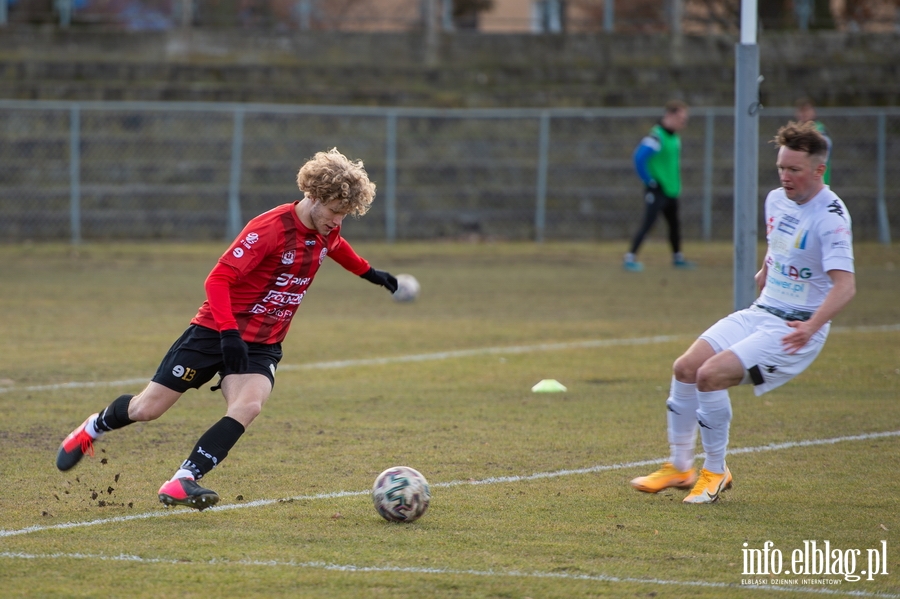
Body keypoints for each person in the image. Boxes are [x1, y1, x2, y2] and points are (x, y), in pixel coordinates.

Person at [56, 148, 400, 510]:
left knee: (248, 405)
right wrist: (228, 334)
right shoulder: (269, 229)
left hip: (263, 343)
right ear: (312, 196)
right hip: (215, 331)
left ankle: (183, 479)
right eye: (333, 212)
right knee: (147, 409)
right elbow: (217, 279)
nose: (337, 221)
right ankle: (92, 429)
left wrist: (371, 274)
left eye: (344, 214)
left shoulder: (328, 229)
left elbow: (336, 246)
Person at [629, 121, 855, 504]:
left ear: (819, 169)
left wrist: (810, 326)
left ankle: (715, 471)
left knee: (709, 376)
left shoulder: (831, 217)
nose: (785, 177)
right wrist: (767, 269)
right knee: (685, 368)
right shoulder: (775, 199)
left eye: (794, 170)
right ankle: (681, 467)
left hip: (796, 326)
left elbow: (845, 286)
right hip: (762, 310)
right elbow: (780, 243)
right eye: (781, 167)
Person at [624, 99, 694, 272]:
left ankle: (678, 257)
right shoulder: (656, 136)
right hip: (658, 189)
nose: (683, 122)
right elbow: (639, 158)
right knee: (649, 223)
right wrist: (650, 181)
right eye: (680, 118)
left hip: (671, 189)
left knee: (674, 225)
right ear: (669, 115)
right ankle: (630, 257)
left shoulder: (675, 137)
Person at [794, 98, 833, 185]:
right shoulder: (796, 131)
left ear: (813, 112)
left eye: (806, 110)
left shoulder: (820, 130)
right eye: (801, 111)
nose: (804, 114)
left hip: (818, 180)